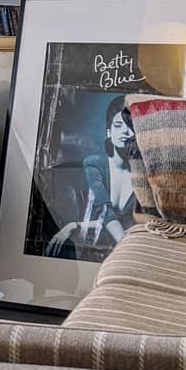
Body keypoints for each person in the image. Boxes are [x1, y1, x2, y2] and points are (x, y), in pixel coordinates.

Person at [44, 96, 138, 259]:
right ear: (109, 131)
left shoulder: (143, 172)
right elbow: (105, 212)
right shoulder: (94, 164)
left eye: (130, 126)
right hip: (99, 251)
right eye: (118, 125)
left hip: (127, 251)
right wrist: (128, 251)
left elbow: (133, 222)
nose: (124, 131)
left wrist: (75, 226)